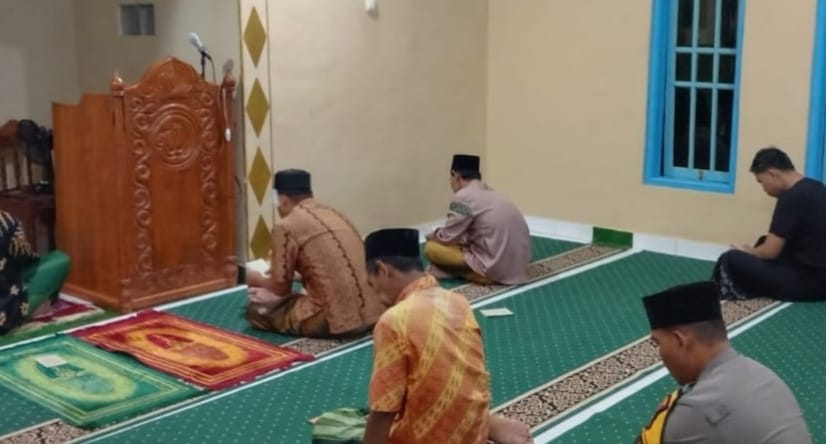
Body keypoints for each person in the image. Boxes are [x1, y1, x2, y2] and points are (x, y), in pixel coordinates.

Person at [362, 228, 532, 444]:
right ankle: (487, 423)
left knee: (348, 425)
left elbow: (384, 410)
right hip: (473, 435)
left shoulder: (394, 320)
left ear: (382, 270)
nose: (377, 297)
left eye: (372, 284)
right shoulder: (458, 302)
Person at [637, 281, 811, 443]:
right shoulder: (764, 375)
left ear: (679, 340)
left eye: (658, 343)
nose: (660, 352)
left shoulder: (697, 408)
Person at [245, 169, 384, 338]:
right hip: (375, 312)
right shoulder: (334, 213)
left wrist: (255, 279)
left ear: (282, 200)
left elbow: (279, 288)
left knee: (257, 311)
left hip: (337, 322)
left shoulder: (285, 226)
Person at [712, 147, 826, 301]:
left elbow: (770, 252)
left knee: (731, 258)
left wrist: (749, 252)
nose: (764, 189)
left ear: (773, 174)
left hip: (806, 285)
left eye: (761, 182)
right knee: (762, 241)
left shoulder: (790, 197)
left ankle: (719, 295)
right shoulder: (817, 187)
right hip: (820, 278)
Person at [424, 154, 531, 285]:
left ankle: (470, 274)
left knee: (431, 248)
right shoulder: (491, 191)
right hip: (519, 266)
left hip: (494, 267)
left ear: (456, 176)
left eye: (450, 178)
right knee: (458, 243)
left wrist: (432, 235)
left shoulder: (463, 196)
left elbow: (447, 237)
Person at [0, 209, 71, 335]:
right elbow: (26, 257)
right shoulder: (7, 220)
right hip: (7, 317)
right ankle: (43, 303)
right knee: (60, 259)